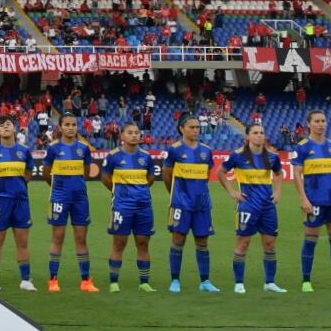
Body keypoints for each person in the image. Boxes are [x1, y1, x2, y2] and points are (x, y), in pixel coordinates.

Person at [291, 110, 331, 292]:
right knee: (311, 240)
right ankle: (306, 281)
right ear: (309, 124)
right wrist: (303, 199)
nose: (320, 124)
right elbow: (296, 174)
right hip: (314, 201)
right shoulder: (302, 147)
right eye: (317, 121)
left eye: (323, 121)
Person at [222, 124, 287, 294]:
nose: (259, 135)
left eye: (261, 133)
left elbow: (279, 174)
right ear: (248, 137)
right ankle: (238, 283)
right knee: (243, 243)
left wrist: (278, 192)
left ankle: (270, 282)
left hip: (267, 206)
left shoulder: (272, 157)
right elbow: (221, 172)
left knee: (270, 244)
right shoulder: (237, 156)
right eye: (255, 133)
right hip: (247, 205)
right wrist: (232, 191)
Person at [161, 115, 222, 293]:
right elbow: (166, 174)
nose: (196, 130)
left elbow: (206, 173)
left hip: (202, 204)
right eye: (192, 127)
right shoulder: (174, 150)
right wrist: (174, 195)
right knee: (178, 239)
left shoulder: (206, 150)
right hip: (181, 203)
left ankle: (205, 281)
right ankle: (175, 280)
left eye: (197, 127)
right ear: (182, 129)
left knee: (203, 241)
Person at [42, 112, 99, 292]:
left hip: (80, 198)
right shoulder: (53, 148)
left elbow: (87, 172)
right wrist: (59, 188)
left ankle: (86, 281)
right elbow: (46, 173)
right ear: (60, 127)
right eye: (67, 124)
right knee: (58, 238)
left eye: (73, 124)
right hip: (59, 198)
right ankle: (53, 280)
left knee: (81, 239)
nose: (70, 128)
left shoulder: (84, 148)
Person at [0, 116, 36, 292]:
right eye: (1, 124)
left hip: (20, 201)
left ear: (14, 129)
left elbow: (28, 172)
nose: (5, 126)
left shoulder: (24, 151)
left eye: (8, 124)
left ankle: (26, 280)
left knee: (23, 242)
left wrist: (19, 187)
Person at [103, 122, 157, 292]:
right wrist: (120, 191)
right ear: (122, 136)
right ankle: (114, 282)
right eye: (130, 132)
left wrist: (138, 190)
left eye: (136, 132)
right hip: (121, 206)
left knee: (143, 243)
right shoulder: (113, 156)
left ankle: (144, 283)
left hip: (144, 206)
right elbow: (105, 178)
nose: (134, 135)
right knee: (119, 243)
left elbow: (150, 178)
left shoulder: (146, 157)